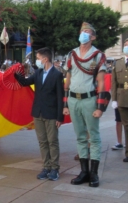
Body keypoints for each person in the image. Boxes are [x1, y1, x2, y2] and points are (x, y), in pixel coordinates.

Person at [63, 22, 107, 187]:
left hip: (89, 100)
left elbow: (101, 82)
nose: (84, 34)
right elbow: (68, 79)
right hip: (73, 100)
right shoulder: (71, 54)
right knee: (80, 137)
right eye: (82, 31)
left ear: (93, 37)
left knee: (93, 137)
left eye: (87, 32)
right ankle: (84, 172)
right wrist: (65, 104)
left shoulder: (97, 55)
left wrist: (100, 107)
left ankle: (94, 174)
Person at [15, 47, 64, 181]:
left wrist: (60, 116)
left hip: (51, 113)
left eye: (38, 58)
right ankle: (46, 167)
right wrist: (15, 74)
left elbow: (60, 96)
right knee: (42, 142)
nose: (37, 61)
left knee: (52, 141)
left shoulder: (57, 74)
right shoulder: (38, 73)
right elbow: (25, 82)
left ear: (45, 59)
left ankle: (55, 168)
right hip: (38, 112)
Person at [111, 38, 128, 162]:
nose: (126, 47)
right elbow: (114, 82)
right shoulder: (118, 62)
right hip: (122, 97)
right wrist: (114, 99)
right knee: (126, 126)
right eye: (125, 45)